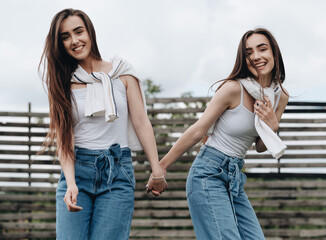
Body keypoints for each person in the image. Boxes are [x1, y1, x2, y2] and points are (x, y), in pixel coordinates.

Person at [147, 28, 289, 239]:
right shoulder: (233, 89)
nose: (256, 56)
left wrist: (272, 126)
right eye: (249, 52)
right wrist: (161, 169)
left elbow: (260, 147)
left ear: (274, 53)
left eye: (262, 49)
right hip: (208, 174)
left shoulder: (280, 96)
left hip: (235, 176)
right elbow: (198, 131)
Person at [39, 8, 167, 240]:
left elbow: (141, 122)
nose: (74, 41)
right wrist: (70, 183)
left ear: (90, 32)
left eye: (79, 32)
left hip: (117, 171)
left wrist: (156, 169)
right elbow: (65, 138)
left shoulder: (122, 73)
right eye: (65, 37)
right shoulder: (62, 82)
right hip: (78, 170)